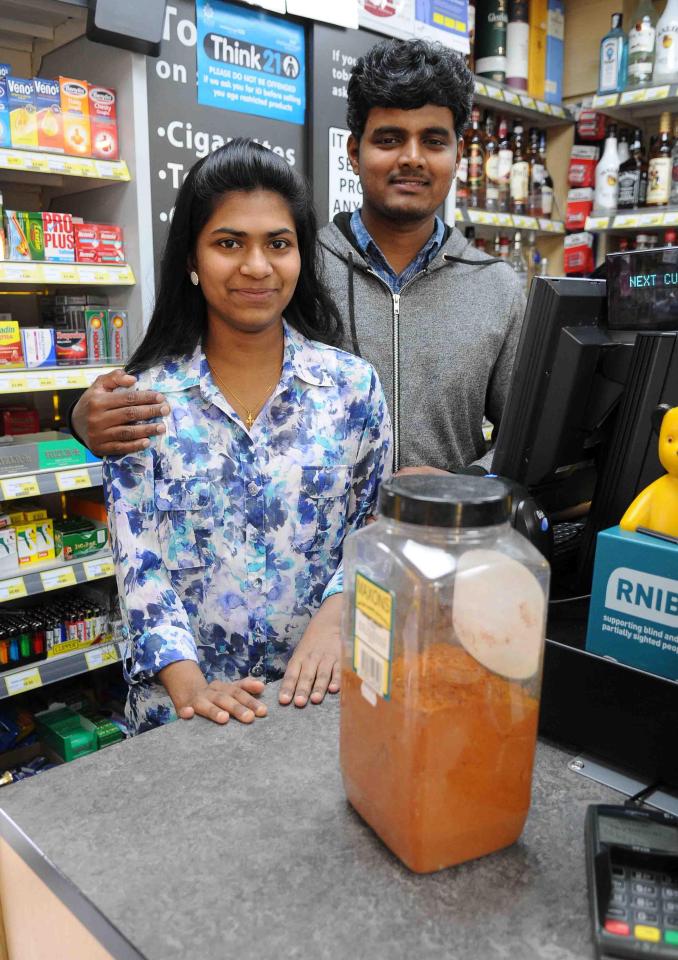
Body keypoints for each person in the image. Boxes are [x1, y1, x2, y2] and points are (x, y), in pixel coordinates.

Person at [71, 38, 525, 698]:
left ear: (460, 151)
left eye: (433, 139)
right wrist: (82, 420)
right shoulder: (301, 261)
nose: (257, 264)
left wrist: (451, 490)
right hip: (195, 703)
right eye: (389, 137)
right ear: (354, 151)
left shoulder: (496, 290)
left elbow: (526, 449)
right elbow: (140, 554)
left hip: (383, 634)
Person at [103, 140, 391, 734]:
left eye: (278, 245)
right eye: (229, 243)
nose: (256, 266)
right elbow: (139, 566)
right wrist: (192, 687)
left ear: (300, 259)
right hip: (182, 718)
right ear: (192, 258)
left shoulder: (352, 390)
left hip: (317, 701)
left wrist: (338, 614)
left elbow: (375, 530)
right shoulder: (143, 402)